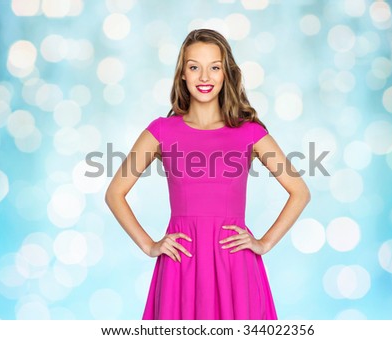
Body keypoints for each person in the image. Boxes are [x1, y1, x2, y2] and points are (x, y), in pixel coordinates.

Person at [105, 28, 311, 320]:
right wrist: (150, 245)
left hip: (235, 264)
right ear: (183, 75)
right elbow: (114, 193)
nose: (204, 77)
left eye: (214, 67)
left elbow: (300, 192)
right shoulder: (161, 131)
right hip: (181, 263)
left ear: (226, 74)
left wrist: (263, 243)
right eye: (194, 67)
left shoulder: (250, 132)